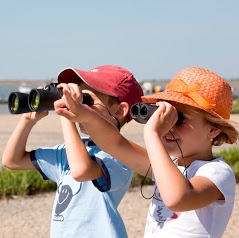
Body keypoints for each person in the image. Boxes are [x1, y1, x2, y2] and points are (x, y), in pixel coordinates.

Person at [53, 66, 238, 237]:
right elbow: (114, 143)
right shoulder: (167, 164)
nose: (170, 126)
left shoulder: (217, 173)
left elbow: (177, 198)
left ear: (213, 129)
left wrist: (152, 133)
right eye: (165, 116)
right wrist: (81, 112)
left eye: (178, 119)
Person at [2, 65, 144, 238]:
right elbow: (12, 161)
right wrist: (27, 120)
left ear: (119, 110)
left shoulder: (120, 156)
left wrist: (67, 114)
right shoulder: (69, 151)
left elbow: (81, 170)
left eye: (86, 100)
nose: (77, 105)